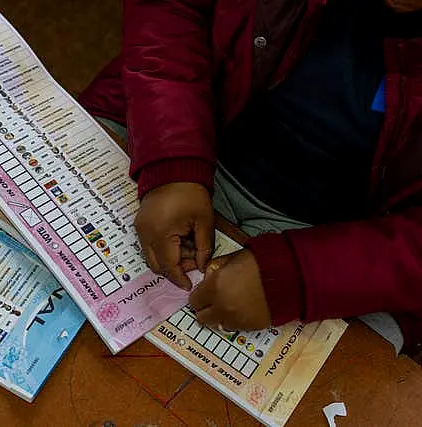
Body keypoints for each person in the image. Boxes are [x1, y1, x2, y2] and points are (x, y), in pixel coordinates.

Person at [79, 0, 422, 362]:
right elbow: (170, 13)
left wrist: (300, 277)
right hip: (172, 121)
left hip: (357, 245)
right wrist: (172, 163)